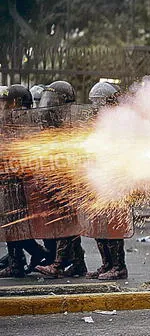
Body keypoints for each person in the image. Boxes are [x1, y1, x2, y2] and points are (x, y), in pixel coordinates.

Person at [35, 80, 88, 278]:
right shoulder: (53, 122)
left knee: (65, 223)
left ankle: (57, 265)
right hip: (57, 178)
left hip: (68, 180)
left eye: (53, 98)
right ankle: (79, 263)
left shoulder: (71, 121)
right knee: (67, 223)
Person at [0, 85, 54, 278]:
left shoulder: (23, 122)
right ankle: (18, 260)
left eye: (6, 102)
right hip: (8, 181)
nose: (3, 106)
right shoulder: (9, 120)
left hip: (17, 182)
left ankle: (30, 256)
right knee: (10, 225)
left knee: (14, 225)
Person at [83, 82, 129, 280]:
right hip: (98, 177)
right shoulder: (95, 121)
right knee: (99, 225)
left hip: (114, 181)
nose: (97, 107)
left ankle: (119, 267)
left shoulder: (123, 121)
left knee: (112, 225)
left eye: (101, 102)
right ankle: (107, 264)